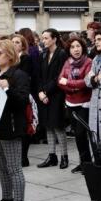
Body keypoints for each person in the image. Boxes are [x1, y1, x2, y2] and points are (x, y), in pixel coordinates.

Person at [0, 39, 30, 201]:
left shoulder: (19, 75)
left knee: (14, 169)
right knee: (3, 168)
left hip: (12, 127)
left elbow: (22, 102)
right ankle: (7, 200)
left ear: (10, 55)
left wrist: (7, 89)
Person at [58, 36, 93, 174]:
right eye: (72, 47)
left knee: (81, 133)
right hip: (70, 102)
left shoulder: (89, 62)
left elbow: (85, 82)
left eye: (78, 46)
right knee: (78, 136)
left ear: (83, 47)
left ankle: (88, 163)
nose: (76, 49)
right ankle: (83, 162)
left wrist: (69, 83)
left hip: (84, 103)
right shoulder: (67, 62)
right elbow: (60, 81)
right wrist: (72, 87)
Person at [36, 29, 69, 169]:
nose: (43, 41)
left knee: (58, 126)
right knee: (48, 126)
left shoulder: (61, 54)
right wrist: (40, 92)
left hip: (56, 95)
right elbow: (39, 75)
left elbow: (60, 76)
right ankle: (52, 156)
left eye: (46, 38)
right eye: (42, 38)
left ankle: (64, 157)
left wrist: (45, 91)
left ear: (54, 39)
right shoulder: (43, 54)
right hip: (44, 95)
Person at [12, 34, 36, 167]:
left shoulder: (25, 58)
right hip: (13, 95)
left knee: (25, 124)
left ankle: (23, 157)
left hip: (24, 95)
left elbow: (24, 77)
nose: (15, 44)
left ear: (22, 45)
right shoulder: (11, 59)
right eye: (13, 42)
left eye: (17, 42)